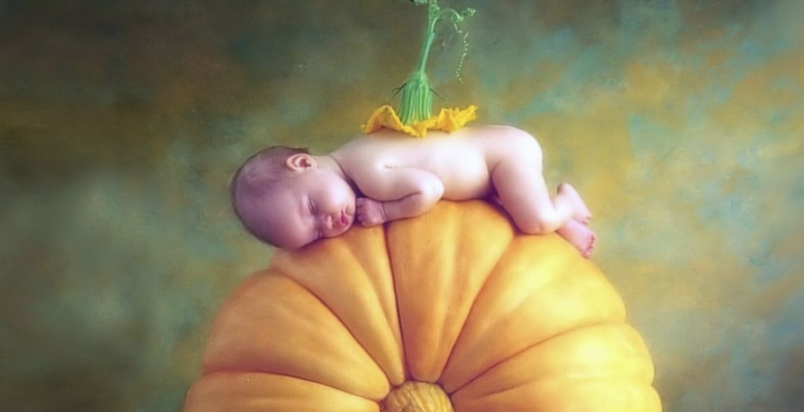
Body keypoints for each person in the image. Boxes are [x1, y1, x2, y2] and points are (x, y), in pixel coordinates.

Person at [230, 124, 596, 257]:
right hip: (485, 179)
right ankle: (570, 229)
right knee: (505, 210)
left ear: (303, 164)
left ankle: (564, 202)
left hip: (502, 156)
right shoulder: (352, 164)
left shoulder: (369, 174)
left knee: (534, 220)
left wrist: (385, 212)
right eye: (313, 235)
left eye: (311, 208)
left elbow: (430, 188)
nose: (326, 223)